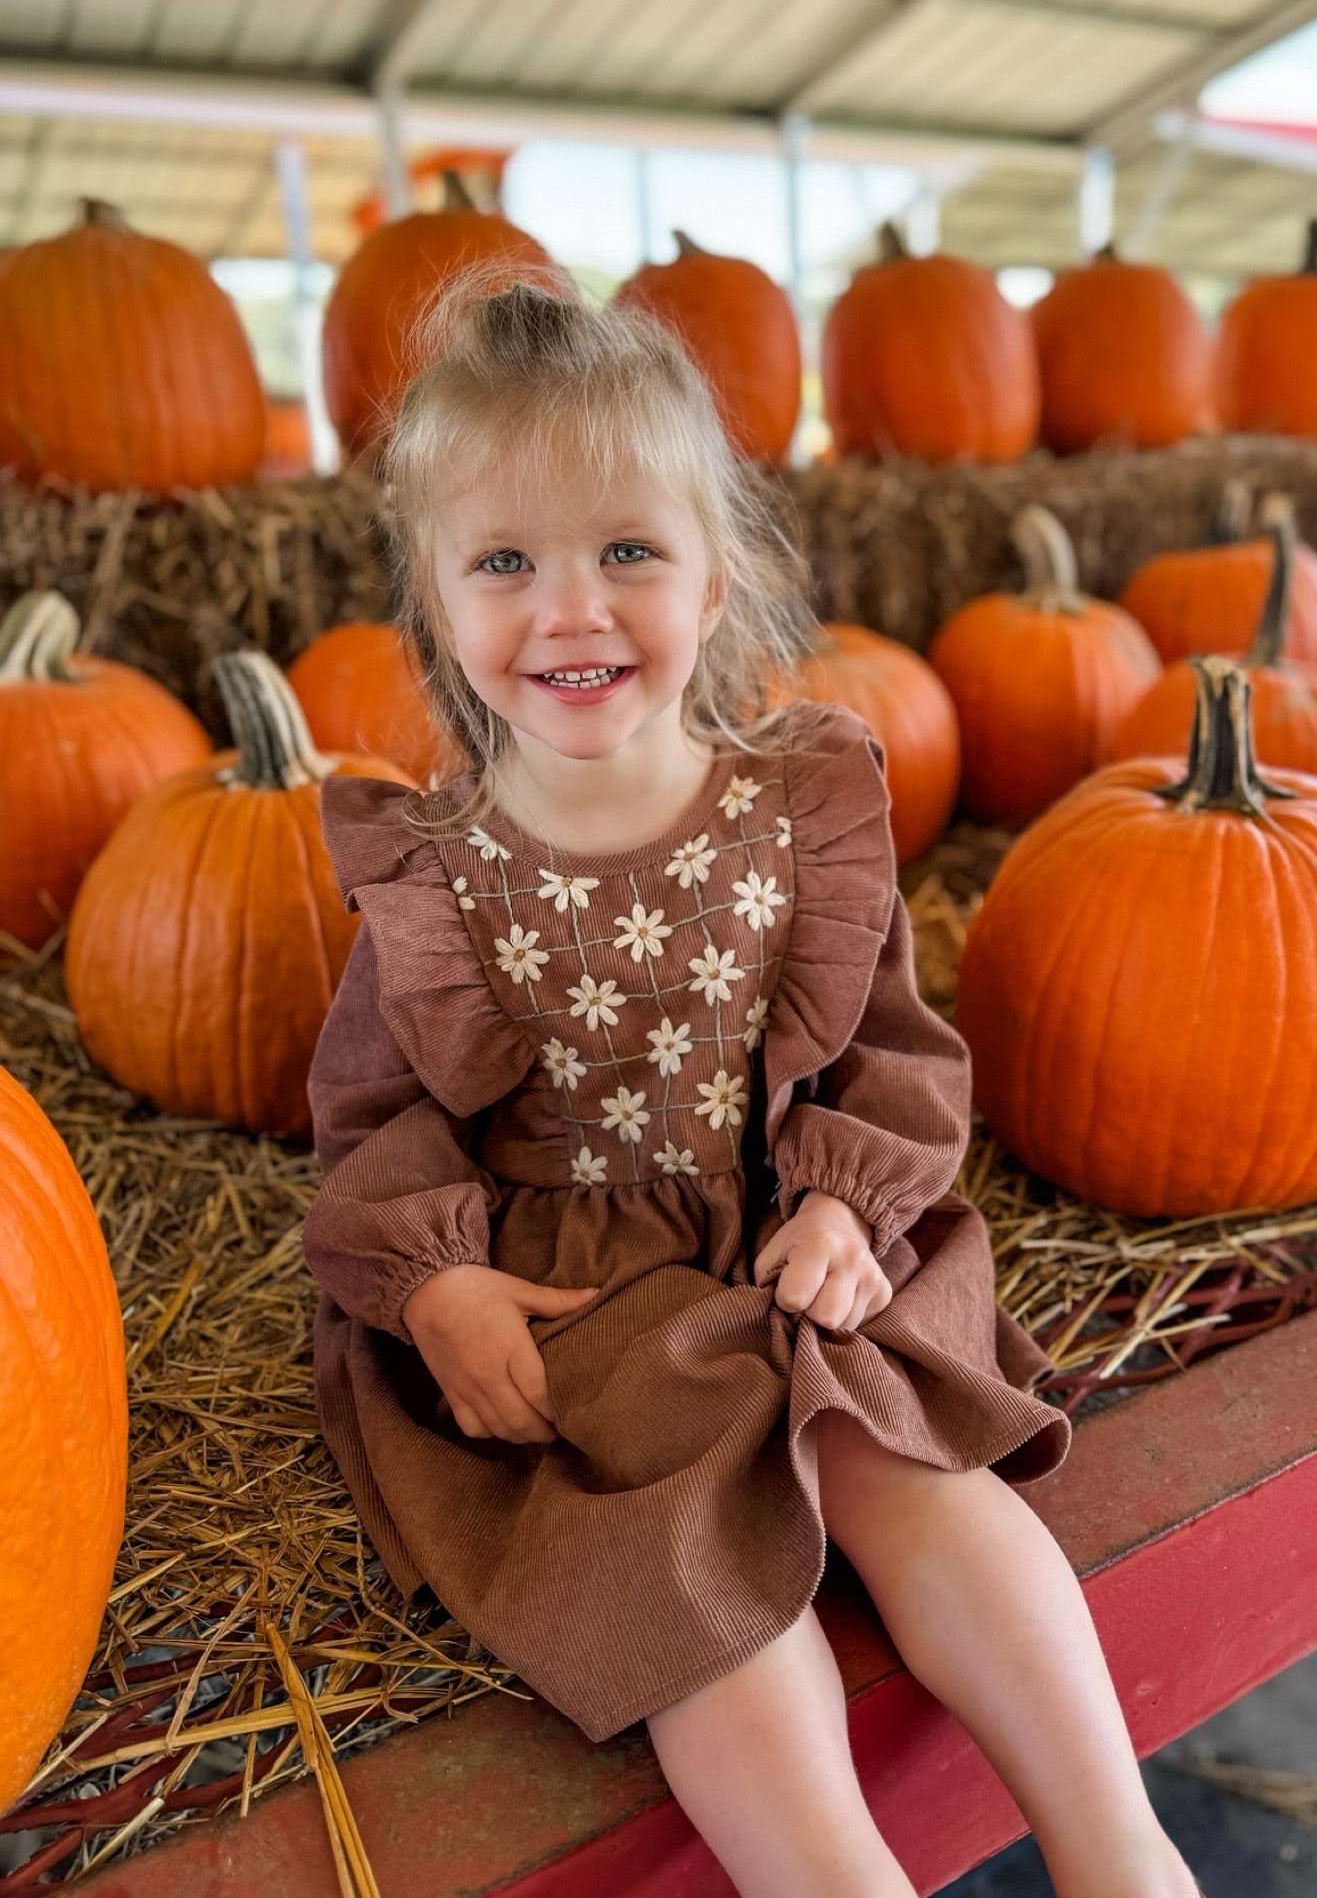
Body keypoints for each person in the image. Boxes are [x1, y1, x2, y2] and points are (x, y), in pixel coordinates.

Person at [303, 274, 1199, 1898]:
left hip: (784, 1240)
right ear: (435, 608)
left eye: (626, 551)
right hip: (580, 1309)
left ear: (717, 581)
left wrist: (858, 1210)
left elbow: (892, 1049)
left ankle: (1119, 1853)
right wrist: (435, 1289)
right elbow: (377, 1118)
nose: (571, 609)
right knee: (682, 1566)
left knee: (891, 1450)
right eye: (505, 561)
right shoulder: (435, 879)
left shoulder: (794, 811)